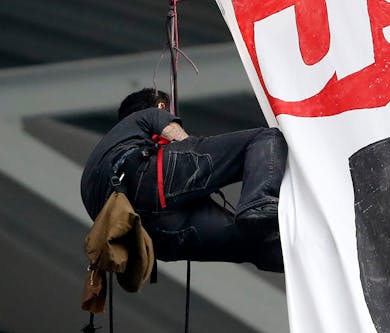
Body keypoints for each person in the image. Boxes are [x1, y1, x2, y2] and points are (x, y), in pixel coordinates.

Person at [80, 88, 286, 272]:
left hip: (155, 239)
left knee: (255, 246)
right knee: (264, 138)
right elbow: (181, 140)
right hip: (153, 180)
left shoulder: (97, 169)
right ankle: (258, 205)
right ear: (161, 106)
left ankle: (286, 258)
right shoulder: (146, 115)